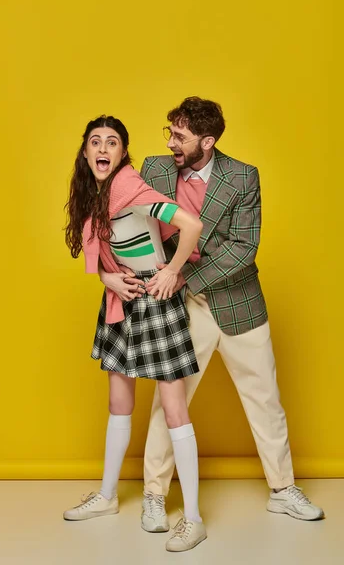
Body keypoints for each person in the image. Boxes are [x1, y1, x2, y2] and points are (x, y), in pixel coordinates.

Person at [100, 97, 324, 529]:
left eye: (179, 136)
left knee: (266, 401)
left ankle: (282, 489)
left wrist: (182, 277)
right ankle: (153, 494)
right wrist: (110, 274)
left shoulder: (242, 177)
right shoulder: (154, 170)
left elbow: (243, 248)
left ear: (208, 140)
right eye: (169, 132)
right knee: (170, 404)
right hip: (178, 306)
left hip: (237, 303)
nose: (170, 143)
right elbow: (120, 219)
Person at [63, 115, 208, 552]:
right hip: (121, 301)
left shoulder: (130, 190)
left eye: (112, 142)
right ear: (86, 152)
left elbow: (192, 226)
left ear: (123, 152)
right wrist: (107, 279)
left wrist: (170, 270)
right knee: (118, 402)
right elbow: (105, 257)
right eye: (95, 141)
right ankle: (107, 497)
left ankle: (195, 519)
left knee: (174, 409)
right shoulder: (94, 197)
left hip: (155, 301)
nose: (103, 148)